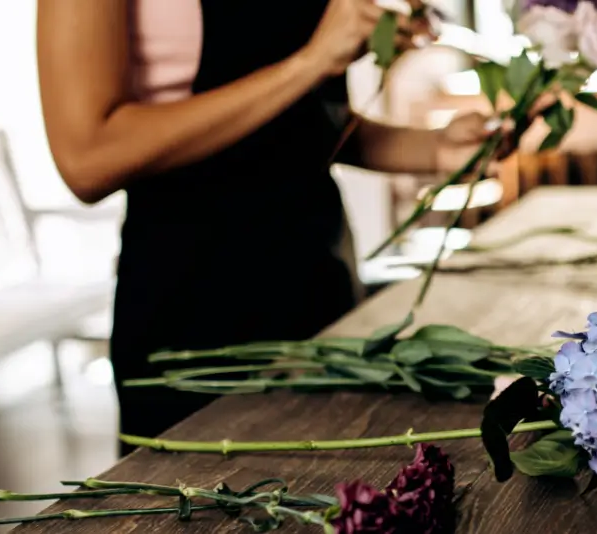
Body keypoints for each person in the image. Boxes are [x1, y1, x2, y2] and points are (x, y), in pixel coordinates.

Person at [37, 0, 505, 456]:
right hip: (191, 309)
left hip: (321, 291)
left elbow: (310, 123)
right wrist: (310, 61)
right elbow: (87, 157)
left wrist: (434, 150)